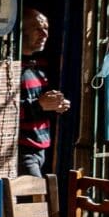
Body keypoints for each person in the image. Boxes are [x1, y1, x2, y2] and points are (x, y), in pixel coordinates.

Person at [19, 9, 69, 179]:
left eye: (46, 29)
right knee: (37, 202)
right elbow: (3, 111)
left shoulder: (40, 64)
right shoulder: (11, 68)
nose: (44, 34)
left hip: (42, 146)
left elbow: (41, 105)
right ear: (22, 30)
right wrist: (38, 105)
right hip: (22, 149)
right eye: (38, 29)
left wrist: (56, 105)